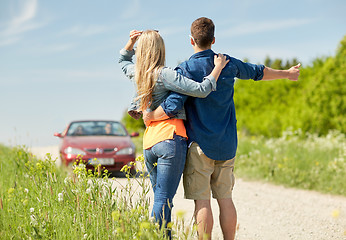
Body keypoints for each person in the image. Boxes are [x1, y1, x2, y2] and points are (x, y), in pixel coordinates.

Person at [143, 17, 300, 240]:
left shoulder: (186, 69)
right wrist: (287, 74)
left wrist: (149, 116)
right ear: (213, 39)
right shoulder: (227, 63)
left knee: (202, 201)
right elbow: (258, 71)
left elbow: (172, 105)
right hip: (227, 144)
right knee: (226, 200)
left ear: (191, 40)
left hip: (200, 146)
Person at [118, 29, 229, 237]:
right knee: (163, 199)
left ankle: (162, 236)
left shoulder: (138, 73)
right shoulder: (165, 74)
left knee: (160, 197)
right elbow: (202, 89)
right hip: (169, 138)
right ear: (160, 50)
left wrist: (130, 42)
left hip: (149, 143)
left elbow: (122, 62)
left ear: (141, 51)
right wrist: (217, 68)